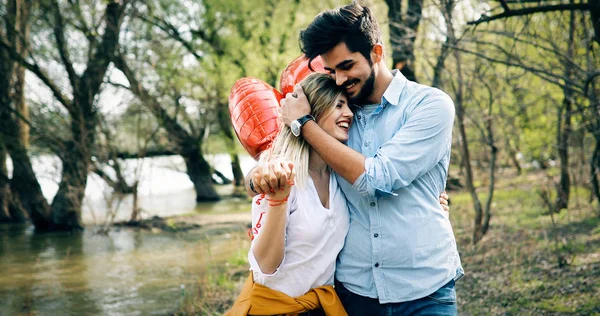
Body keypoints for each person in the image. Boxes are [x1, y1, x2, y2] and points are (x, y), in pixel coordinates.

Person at [267, 1, 464, 315]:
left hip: (425, 290)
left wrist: (305, 124)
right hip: (355, 293)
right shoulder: (338, 116)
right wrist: (256, 181)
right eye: (331, 71)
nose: (340, 80)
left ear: (376, 53)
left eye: (347, 66)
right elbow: (284, 155)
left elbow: (377, 178)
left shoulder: (430, 105)